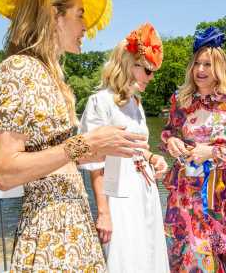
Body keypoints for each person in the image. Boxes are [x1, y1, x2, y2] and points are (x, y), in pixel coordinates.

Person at [0, 0, 148, 271]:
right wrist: (84, 142)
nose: (86, 26)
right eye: (80, 15)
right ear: (54, 15)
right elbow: (4, 173)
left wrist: (98, 149)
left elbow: (53, 158)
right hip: (50, 230)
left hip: (72, 223)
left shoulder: (49, 74)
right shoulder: (20, 68)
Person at [78, 23, 170, 273]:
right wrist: (104, 212)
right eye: (149, 71)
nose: (151, 78)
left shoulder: (135, 103)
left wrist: (153, 158)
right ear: (130, 63)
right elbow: (95, 165)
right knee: (126, 261)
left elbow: (138, 148)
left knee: (149, 258)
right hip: (118, 195)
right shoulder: (100, 102)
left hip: (145, 192)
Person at [160, 27, 226, 273]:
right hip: (182, 191)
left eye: (208, 64)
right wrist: (170, 142)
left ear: (219, 67)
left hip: (214, 193)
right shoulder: (180, 99)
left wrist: (210, 152)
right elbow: (168, 132)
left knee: (212, 253)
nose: (200, 70)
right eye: (197, 63)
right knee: (184, 251)